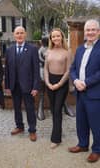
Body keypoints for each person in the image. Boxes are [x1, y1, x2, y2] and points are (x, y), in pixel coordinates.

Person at [69, 19, 100, 163]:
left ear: (98, 31)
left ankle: (97, 150)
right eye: (88, 30)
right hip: (80, 92)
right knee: (81, 121)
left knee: (96, 123)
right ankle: (82, 145)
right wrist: (75, 81)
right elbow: (73, 68)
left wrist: (85, 83)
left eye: (93, 29)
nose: (90, 32)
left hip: (94, 94)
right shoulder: (80, 48)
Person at [5, 26, 40, 142]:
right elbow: (7, 70)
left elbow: (36, 69)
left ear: (25, 35)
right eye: (17, 33)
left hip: (28, 86)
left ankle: (32, 130)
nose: (19, 35)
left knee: (30, 108)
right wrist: (7, 86)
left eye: (21, 33)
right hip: (14, 86)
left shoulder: (33, 49)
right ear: (14, 35)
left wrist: (35, 86)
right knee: (16, 108)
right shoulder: (9, 50)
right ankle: (19, 126)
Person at [44, 28, 71, 149]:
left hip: (62, 83)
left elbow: (68, 70)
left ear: (62, 37)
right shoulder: (48, 51)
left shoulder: (67, 51)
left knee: (57, 109)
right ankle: (57, 131)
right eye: (53, 36)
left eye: (57, 36)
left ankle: (56, 138)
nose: (55, 38)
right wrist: (48, 82)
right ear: (51, 39)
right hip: (50, 82)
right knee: (53, 110)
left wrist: (59, 84)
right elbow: (45, 68)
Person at [37, 37, 48, 120]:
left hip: (53, 70)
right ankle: (40, 107)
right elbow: (41, 60)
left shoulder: (52, 48)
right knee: (42, 88)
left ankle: (64, 104)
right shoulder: (41, 50)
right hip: (43, 69)